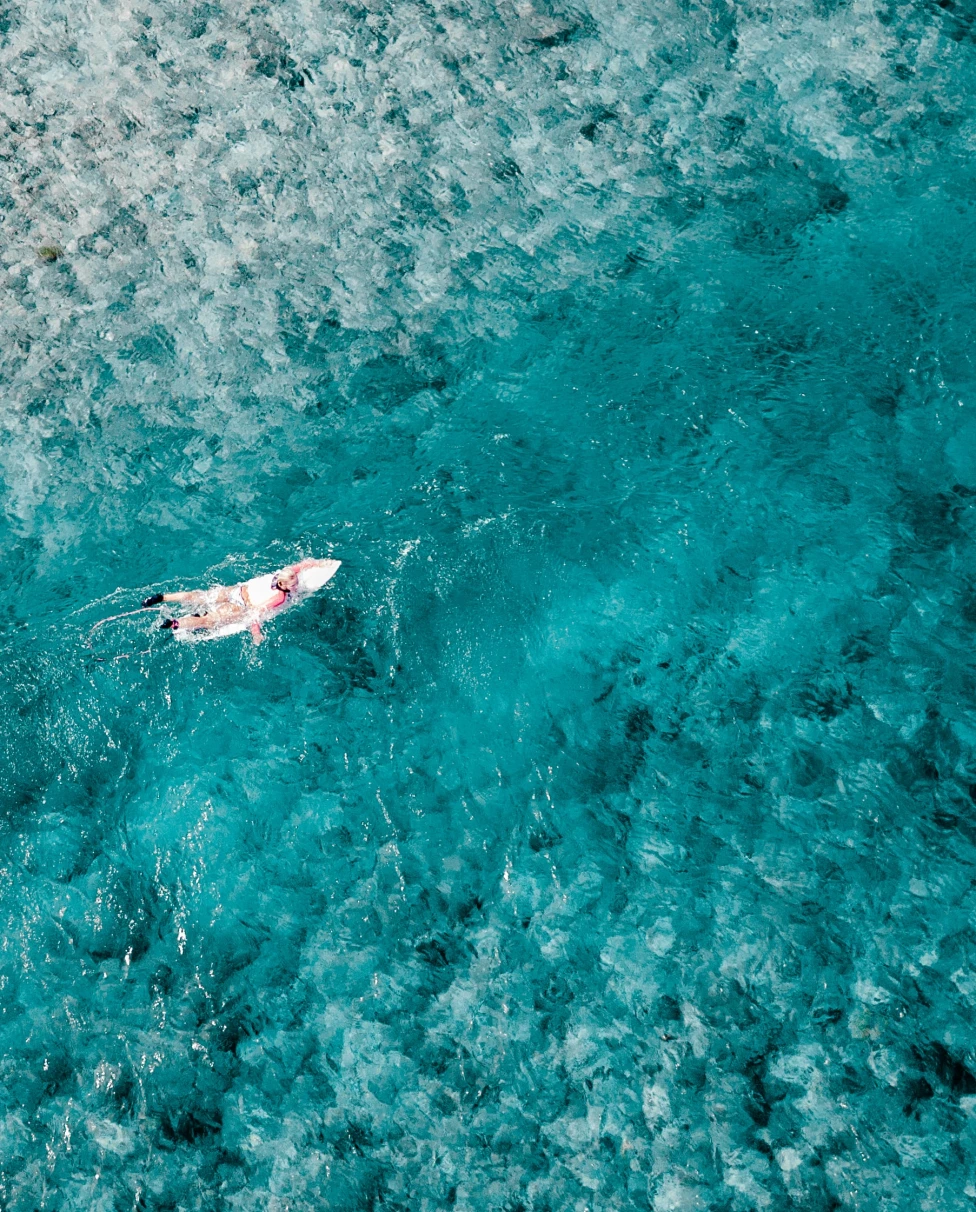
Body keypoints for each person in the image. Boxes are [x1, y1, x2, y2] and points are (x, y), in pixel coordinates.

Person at [142, 559, 317, 645]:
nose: (297, 586)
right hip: (239, 607)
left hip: (235, 591)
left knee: (199, 596)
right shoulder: (280, 598)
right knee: (208, 621)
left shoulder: (280, 574)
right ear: (283, 584)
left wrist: (317, 563)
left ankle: (161, 597)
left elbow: (298, 567)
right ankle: (174, 623)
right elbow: (255, 613)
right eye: (294, 584)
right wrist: (256, 634)